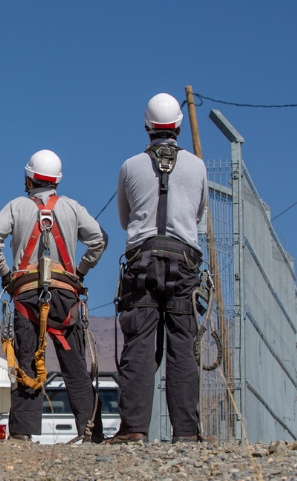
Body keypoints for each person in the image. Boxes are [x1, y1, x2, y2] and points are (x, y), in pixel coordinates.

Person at [0, 150, 108, 442]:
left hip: (26, 298)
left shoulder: (16, 207)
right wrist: (80, 271)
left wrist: (5, 274)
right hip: (65, 299)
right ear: (57, 181)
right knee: (75, 366)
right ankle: (91, 433)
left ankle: (23, 435)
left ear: (29, 179)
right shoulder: (72, 208)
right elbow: (98, 240)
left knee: (27, 362)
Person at [110, 93, 208, 444]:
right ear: (179, 126)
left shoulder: (130, 166)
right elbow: (198, 217)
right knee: (183, 345)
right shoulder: (197, 166)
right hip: (184, 264)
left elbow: (125, 220)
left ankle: (134, 429)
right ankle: (185, 432)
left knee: (138, 342)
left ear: (146, 126)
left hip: (142, 264)